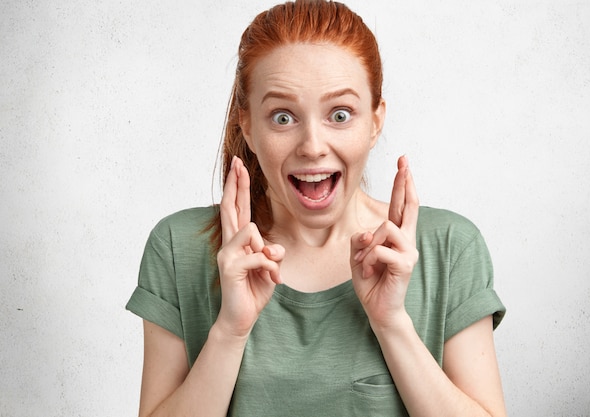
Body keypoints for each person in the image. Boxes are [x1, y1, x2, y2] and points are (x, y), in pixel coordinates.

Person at [126, 1, 507, 415]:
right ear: (247, 126)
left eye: (340, 115)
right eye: (283, 117)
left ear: (375, 122)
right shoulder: (178, 248)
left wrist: (392, 323)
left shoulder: (449, 248)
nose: (311, 145)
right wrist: (230, 331)